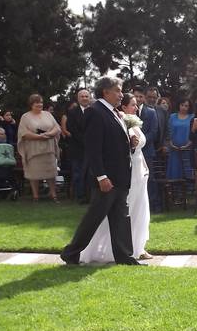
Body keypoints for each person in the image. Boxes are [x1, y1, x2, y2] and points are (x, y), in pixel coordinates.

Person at [61, 77, 143, 266]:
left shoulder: (115, 113)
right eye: (118, 90)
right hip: (107, 178)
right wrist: (101, 176)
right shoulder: (95, 112)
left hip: (120, 176)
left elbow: (114, 144)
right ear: (105, 92)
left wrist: (130, 144)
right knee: (94, 217)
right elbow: (93, 148)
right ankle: (71, 252)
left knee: (121, 217)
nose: (121, 95)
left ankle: (125, 257)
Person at [80, 93, 152, 262]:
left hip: (140, 171)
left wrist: (144, 165)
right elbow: (116, 148)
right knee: (126, 211)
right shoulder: (120, 120)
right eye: (133, 104)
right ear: (124, 107)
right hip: (127, 172)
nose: (136, 107)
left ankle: (138, 246)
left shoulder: (134, 123)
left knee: (140, 209)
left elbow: (138, 149)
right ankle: (118, 249)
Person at [18, 93, 62, 202]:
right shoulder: (25, 117)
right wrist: (38, 137)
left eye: (41, 102)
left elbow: (57, 128)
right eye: (37, 103)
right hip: (34, 149)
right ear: (31, 104)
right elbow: (23, 133)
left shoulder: (48, 114)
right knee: (34, 173)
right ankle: (35, 196)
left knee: (51, 173)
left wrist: (48, 134)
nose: (39, 104)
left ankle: (53, 195)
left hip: (48, 148)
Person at [65, 89, 92, 203]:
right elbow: (72, 129)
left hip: (92, 149)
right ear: (78, 98)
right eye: (82, 96)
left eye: (87, 96)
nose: (85, 98)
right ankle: (80, 196)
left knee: (91, 174)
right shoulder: (72, 112)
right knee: (78, 173)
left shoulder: (95, 111)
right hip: (78, 148)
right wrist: (86, 141)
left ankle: (90, 196)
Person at [167, 97, 194, 179]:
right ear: (179, 105)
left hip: (188, 149)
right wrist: (171, 143)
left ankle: (189, 191)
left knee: (188, 173)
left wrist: (188, 145)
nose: (184, 107)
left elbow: (194, 133)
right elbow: (168, 131)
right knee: (175, 173)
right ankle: (175, 191)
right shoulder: (172, 117)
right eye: (182, 105)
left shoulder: (192, 117)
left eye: (186, 106)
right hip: (174, 149)